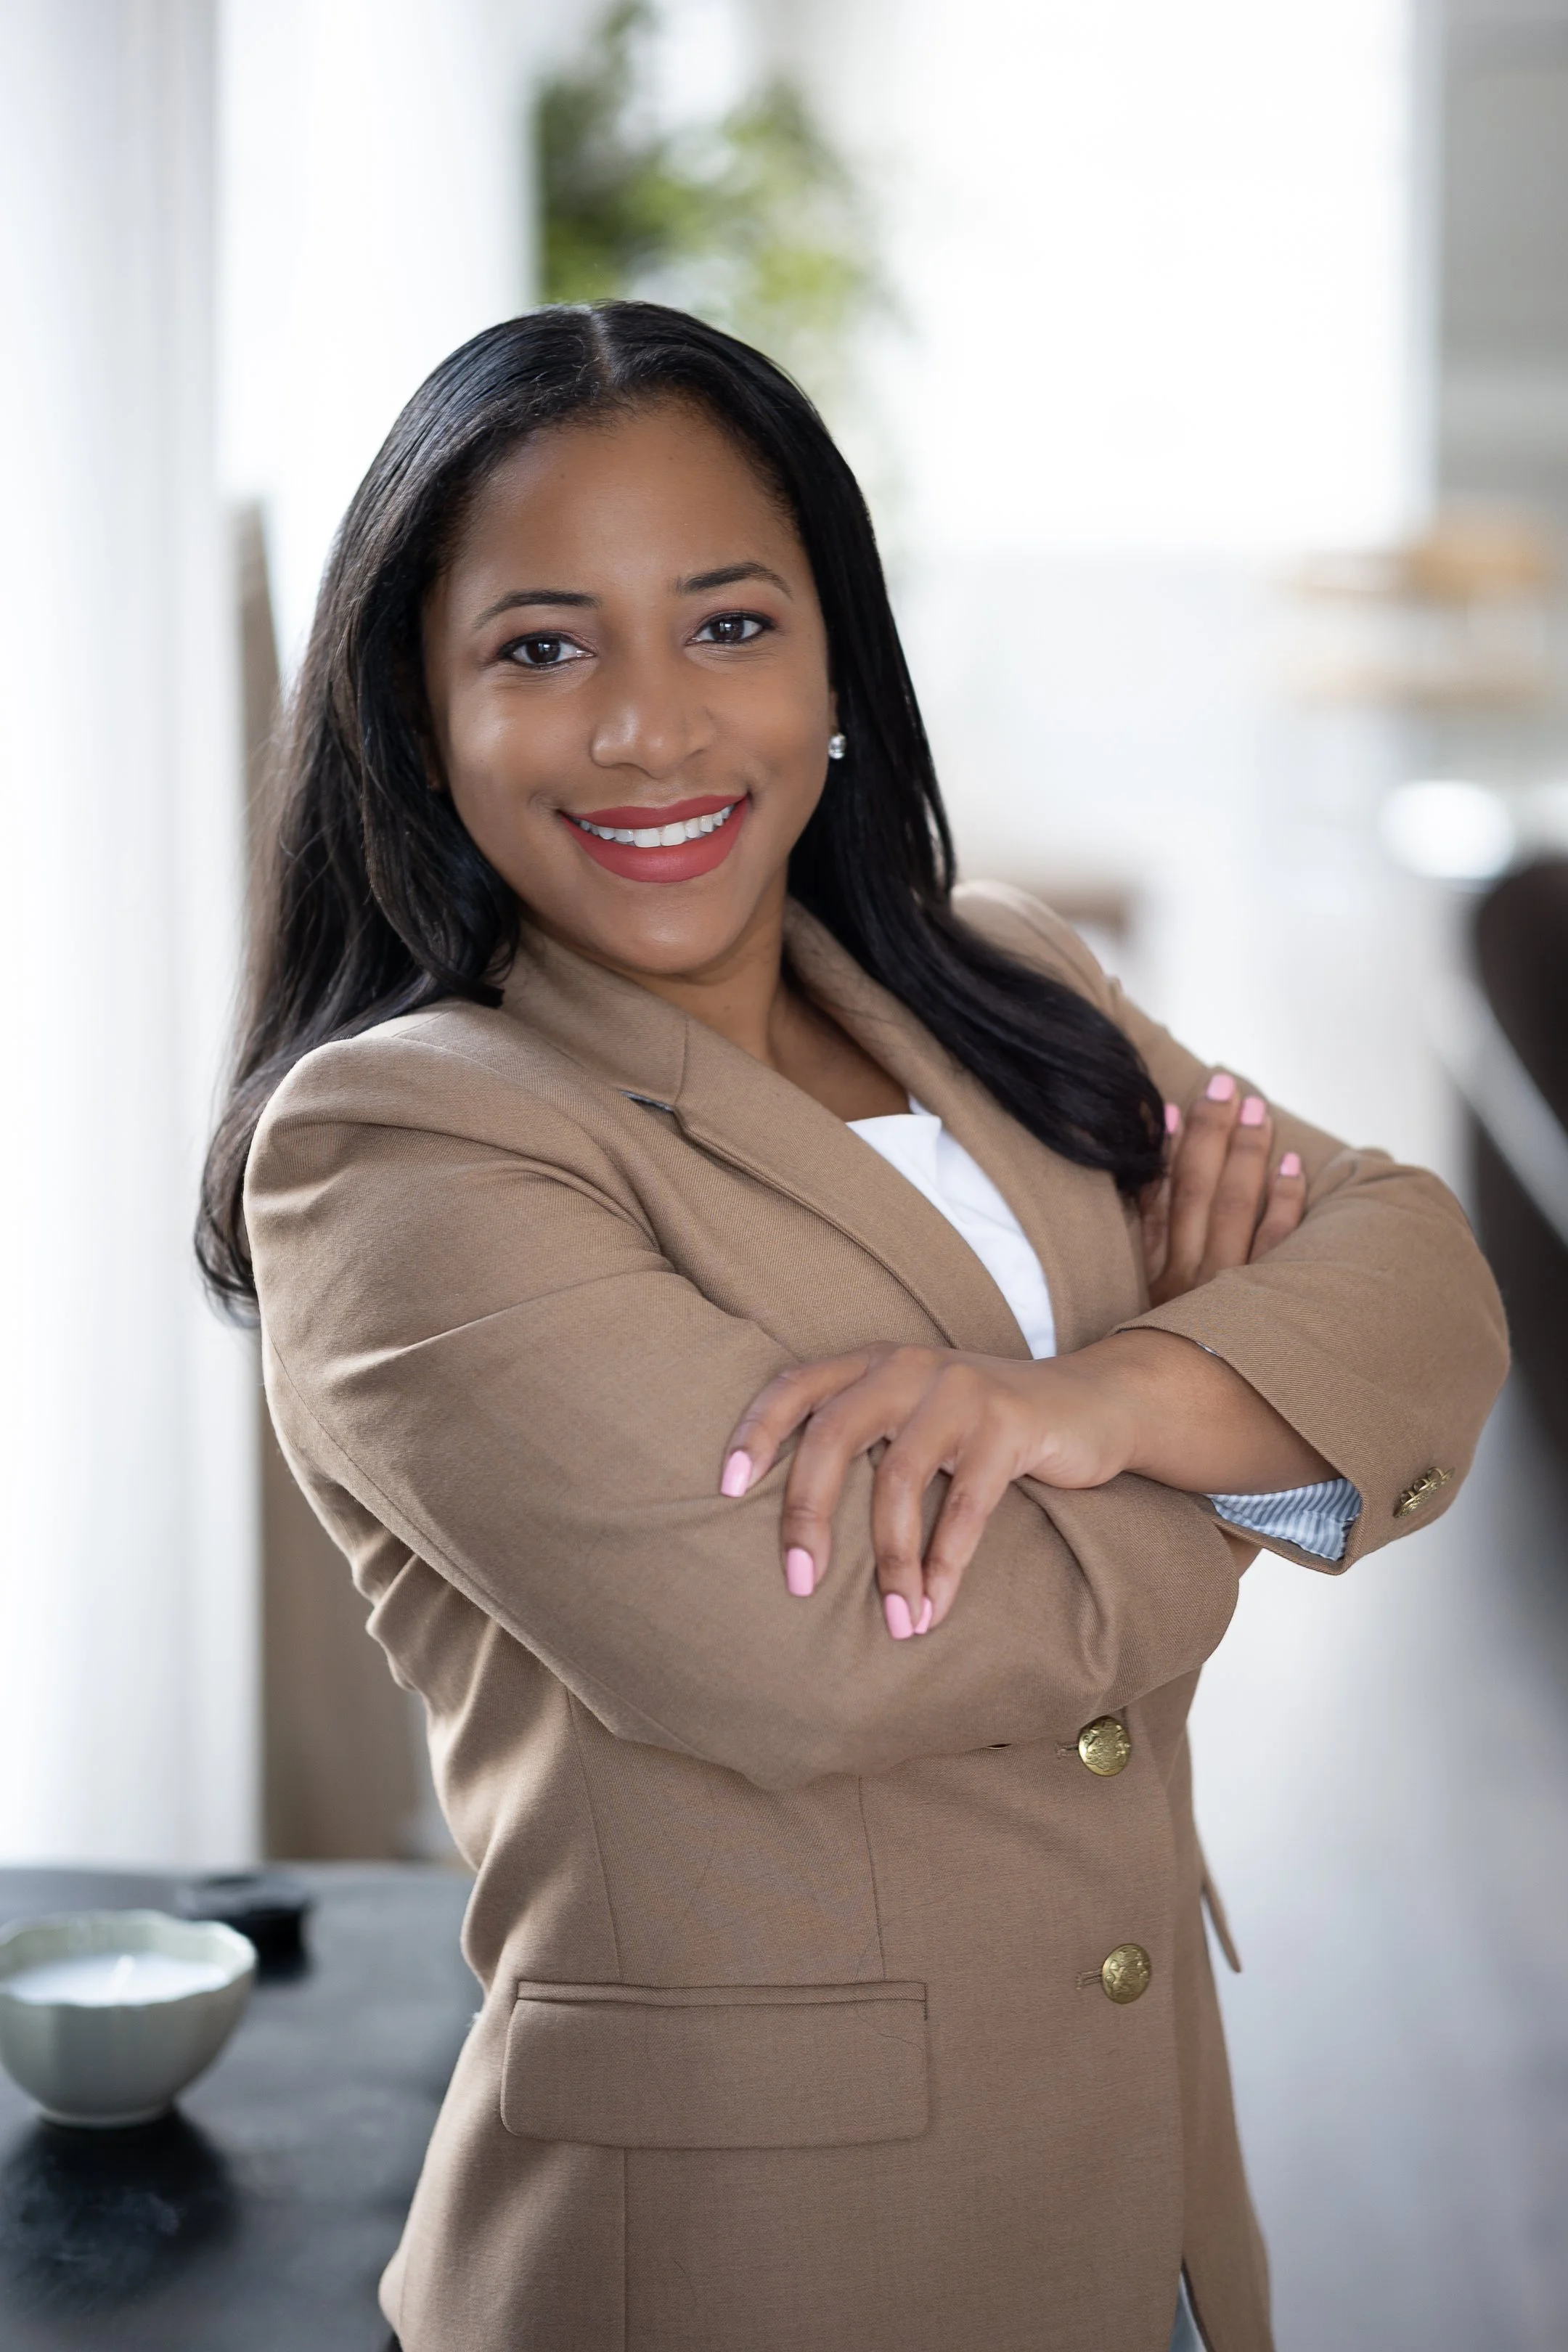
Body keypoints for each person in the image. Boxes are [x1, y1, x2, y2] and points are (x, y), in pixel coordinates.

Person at [200, 303, 1507, 2352]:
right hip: (751, 2262)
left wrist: (1107, 1398)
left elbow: (1419, 1268)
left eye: (728, 625)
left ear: (834, 670)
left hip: (1153, 2209)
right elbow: (818, 1642)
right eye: (542, 648)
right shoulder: (402, 1152)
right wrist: (1247, 1428)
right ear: (419, 710)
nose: (651, 728)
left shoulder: (1002, 979)